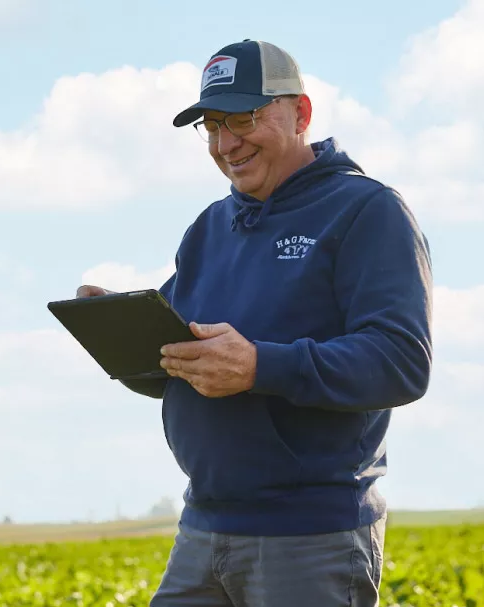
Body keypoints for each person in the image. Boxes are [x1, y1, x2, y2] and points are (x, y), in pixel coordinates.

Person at [77, 39, 433, 606]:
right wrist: (121, 334)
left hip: (310, 534)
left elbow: (401, 362)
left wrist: (260, 365)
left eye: (244, 118)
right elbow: (183, 360)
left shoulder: (367, 210)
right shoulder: (209, 228)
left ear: (301, 113)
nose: (226, 143)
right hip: (203, 526)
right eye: (212, 125)